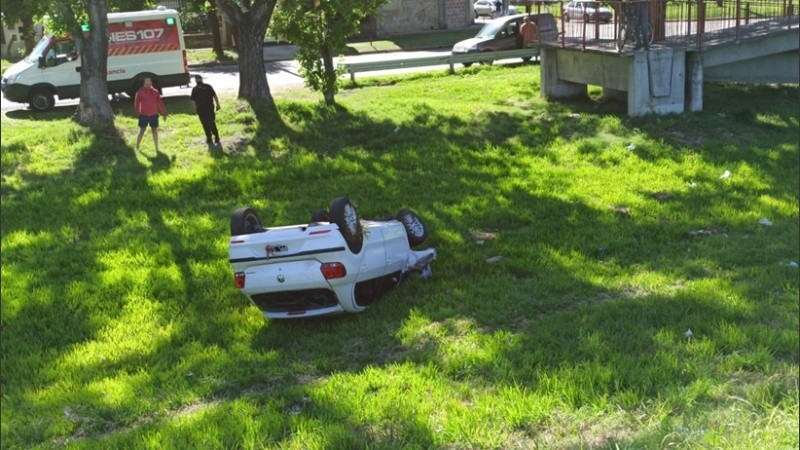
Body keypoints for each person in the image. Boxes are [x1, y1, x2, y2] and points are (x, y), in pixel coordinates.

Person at [134, 78, 168, 151]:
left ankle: (156, 147)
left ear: (151, 84)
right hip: (143, 115)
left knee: (154, 130)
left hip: (154, 115)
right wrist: (138, 113)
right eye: (146, 84)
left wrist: (164, 113)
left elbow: (160, 103)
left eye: (149, 83)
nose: (148, 85)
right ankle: (137, 146)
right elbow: (137, 104)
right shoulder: (140, 92)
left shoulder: (155, 92)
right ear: (143, 84)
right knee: (142, 131)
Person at [190, 74, 221, 146]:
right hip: (201, 109)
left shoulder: (208, 87)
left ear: (201, 79)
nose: (198, 80)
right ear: (195, 81)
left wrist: (218, 104)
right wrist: (195, 108)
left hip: (209, 108)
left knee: (211, 122)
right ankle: (209, 138)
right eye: (196, 79)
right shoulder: (195, 89)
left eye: (199, 78)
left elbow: (214, 95)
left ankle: (216, 136)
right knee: (204, 124)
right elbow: (193, 100)